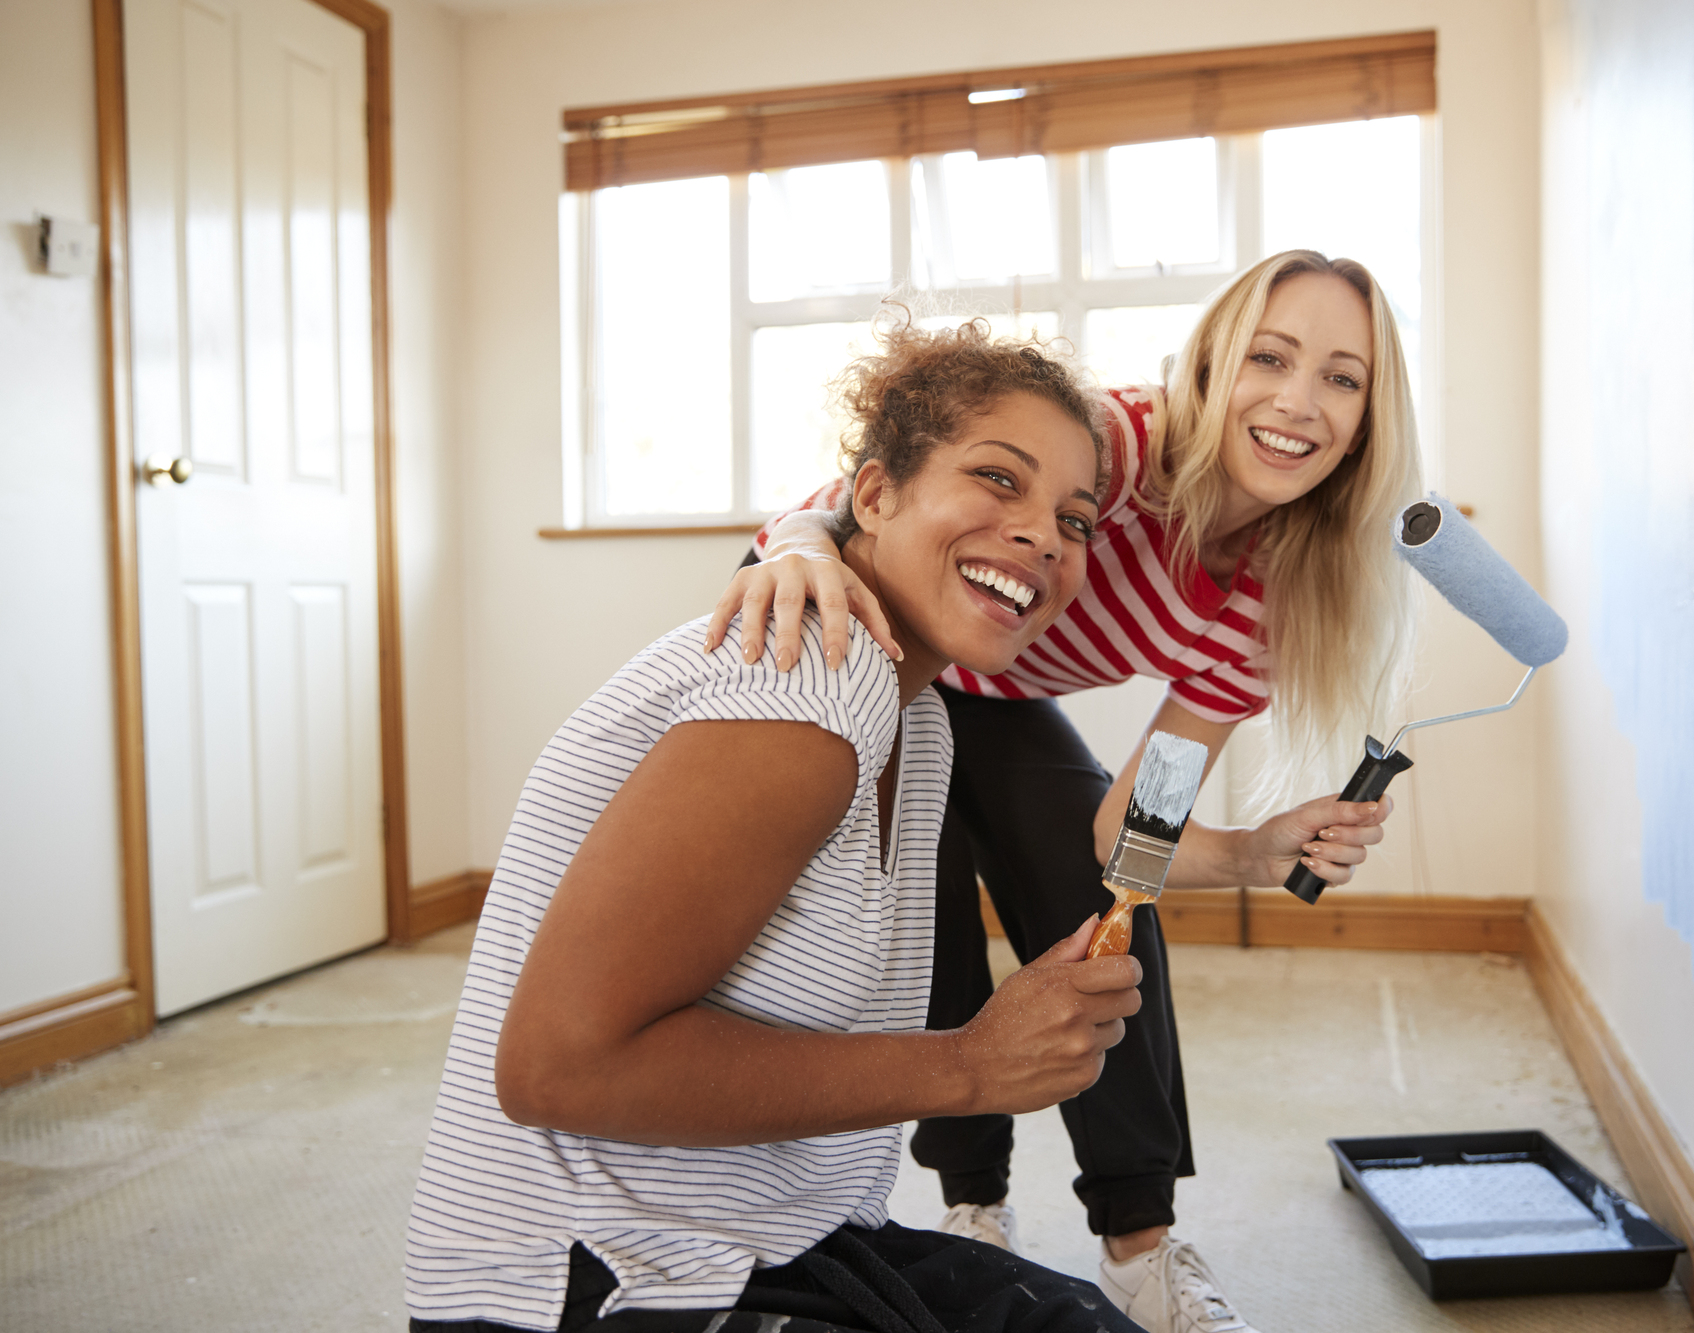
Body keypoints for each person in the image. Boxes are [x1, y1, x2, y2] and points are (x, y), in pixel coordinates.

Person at [711, 251, 1423, 1333]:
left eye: (1341, 377)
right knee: (930, 912)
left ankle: (1138, 1244)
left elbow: (1126, 839)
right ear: (1209, 362)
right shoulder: (1110, 441)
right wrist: (790, 548)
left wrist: (1247, 852)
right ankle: (969, 1208)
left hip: (988, 689)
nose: (1295, 402)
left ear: (1369, 419)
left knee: (1109, 917)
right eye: (1267, 358)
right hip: (868, 636)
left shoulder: (1267, 602)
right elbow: (840, 504)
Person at [402, 319, 1151, 1333]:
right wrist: (968, 1064)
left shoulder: (916, 721)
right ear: (875, 496)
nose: (1042, 538)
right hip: (589, 1278)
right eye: (997, 479)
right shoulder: (806, 686)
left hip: (781, 1240)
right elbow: (555, 1067)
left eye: (1075, 519)